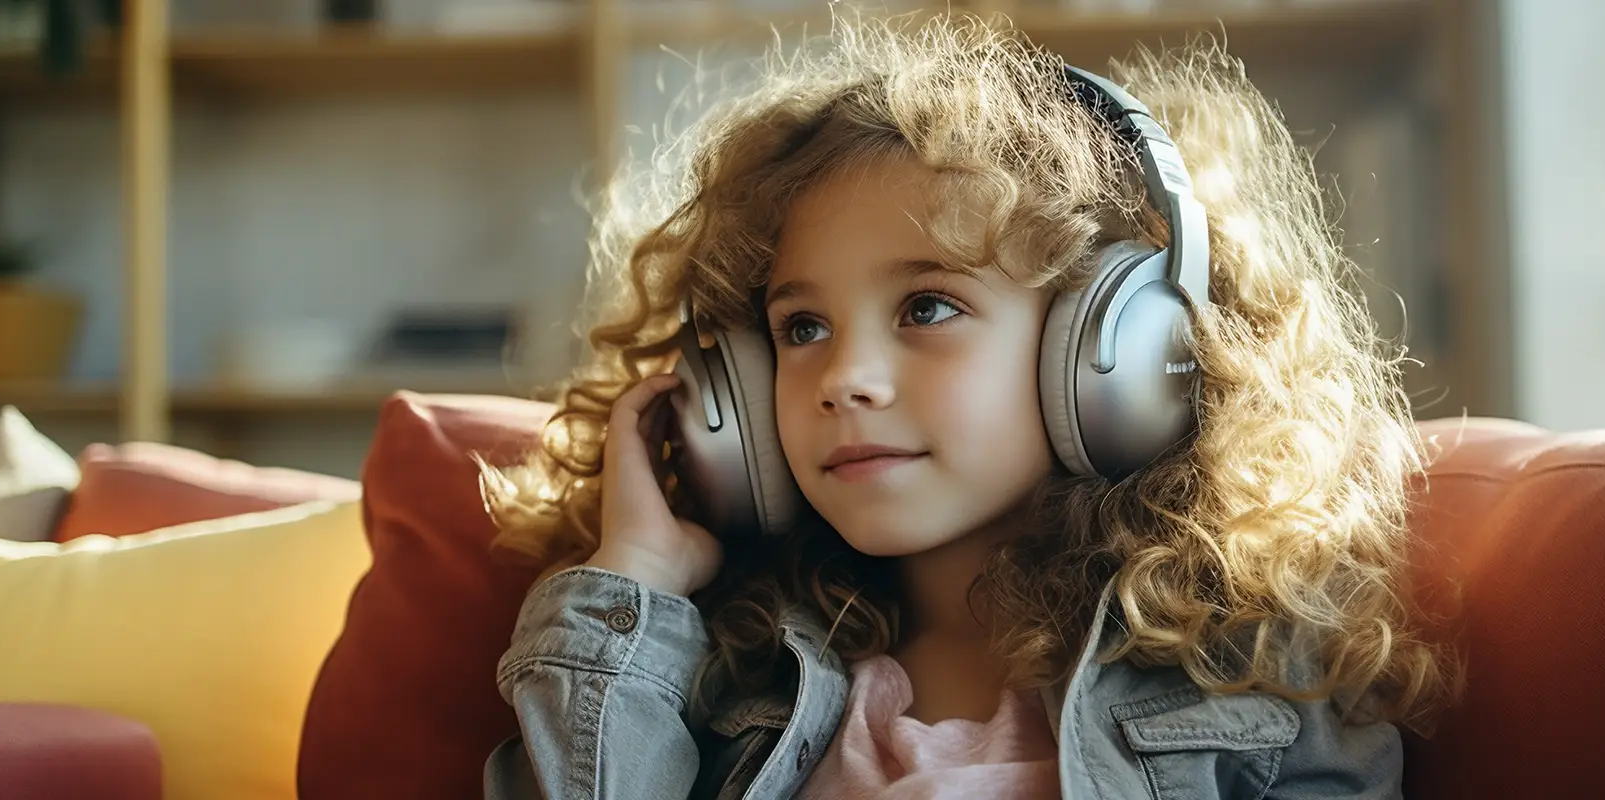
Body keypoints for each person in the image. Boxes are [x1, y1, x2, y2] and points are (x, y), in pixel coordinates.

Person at [480, 13, 1454, 800]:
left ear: (1119, 348)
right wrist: (635, 576)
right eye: (800, 328)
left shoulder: (1251, 672)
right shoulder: (732, 671)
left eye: (927, 306)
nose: (844, 377)